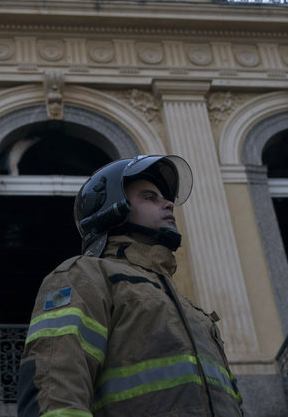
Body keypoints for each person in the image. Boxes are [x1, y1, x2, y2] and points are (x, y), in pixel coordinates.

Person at [17, 155, 244, 416]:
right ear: (113, 207)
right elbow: (56, 381)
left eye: (165, 197)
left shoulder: (192, 311)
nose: (169, 204)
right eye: (150, 197)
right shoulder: (85, 275)